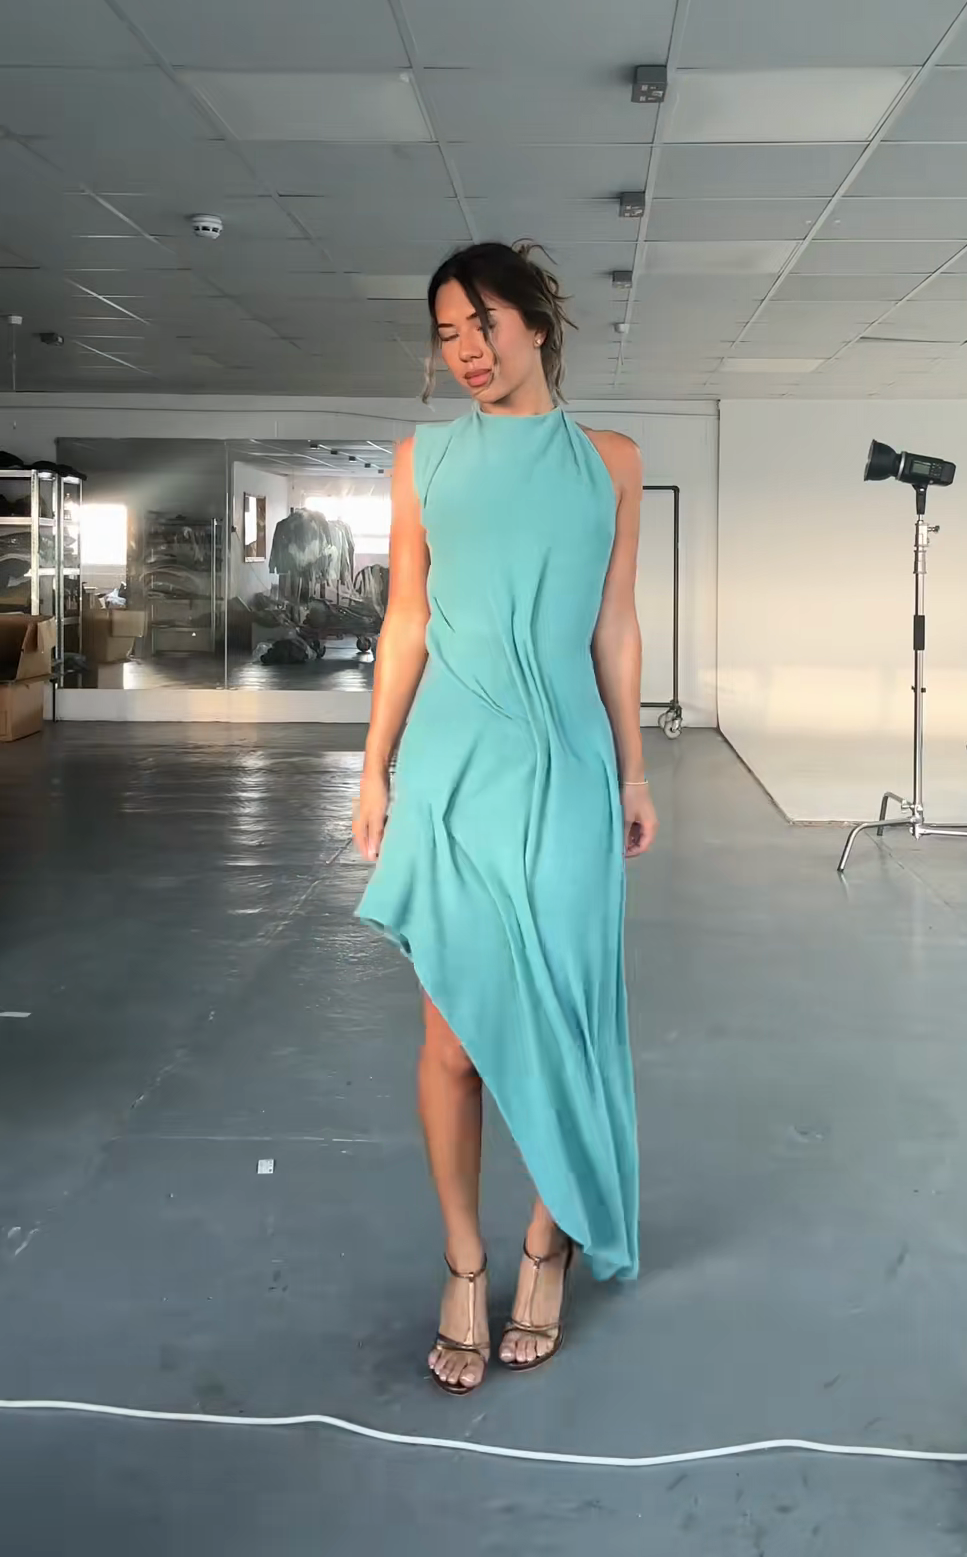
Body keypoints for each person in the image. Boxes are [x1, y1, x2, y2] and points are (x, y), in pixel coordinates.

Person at [352, 241, 658, 1394]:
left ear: (537, 322)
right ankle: (464, 1263)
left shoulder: (612, 462)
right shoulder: (421, 461)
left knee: (567, 1017)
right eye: (448, 333)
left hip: (569, 768)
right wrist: (374, 767)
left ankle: (548, 1238)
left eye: (484, 323)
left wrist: (633, 771)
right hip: (453, 767)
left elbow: (614, 626)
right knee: (452, 1038)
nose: (468, 350)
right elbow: (406, 620)